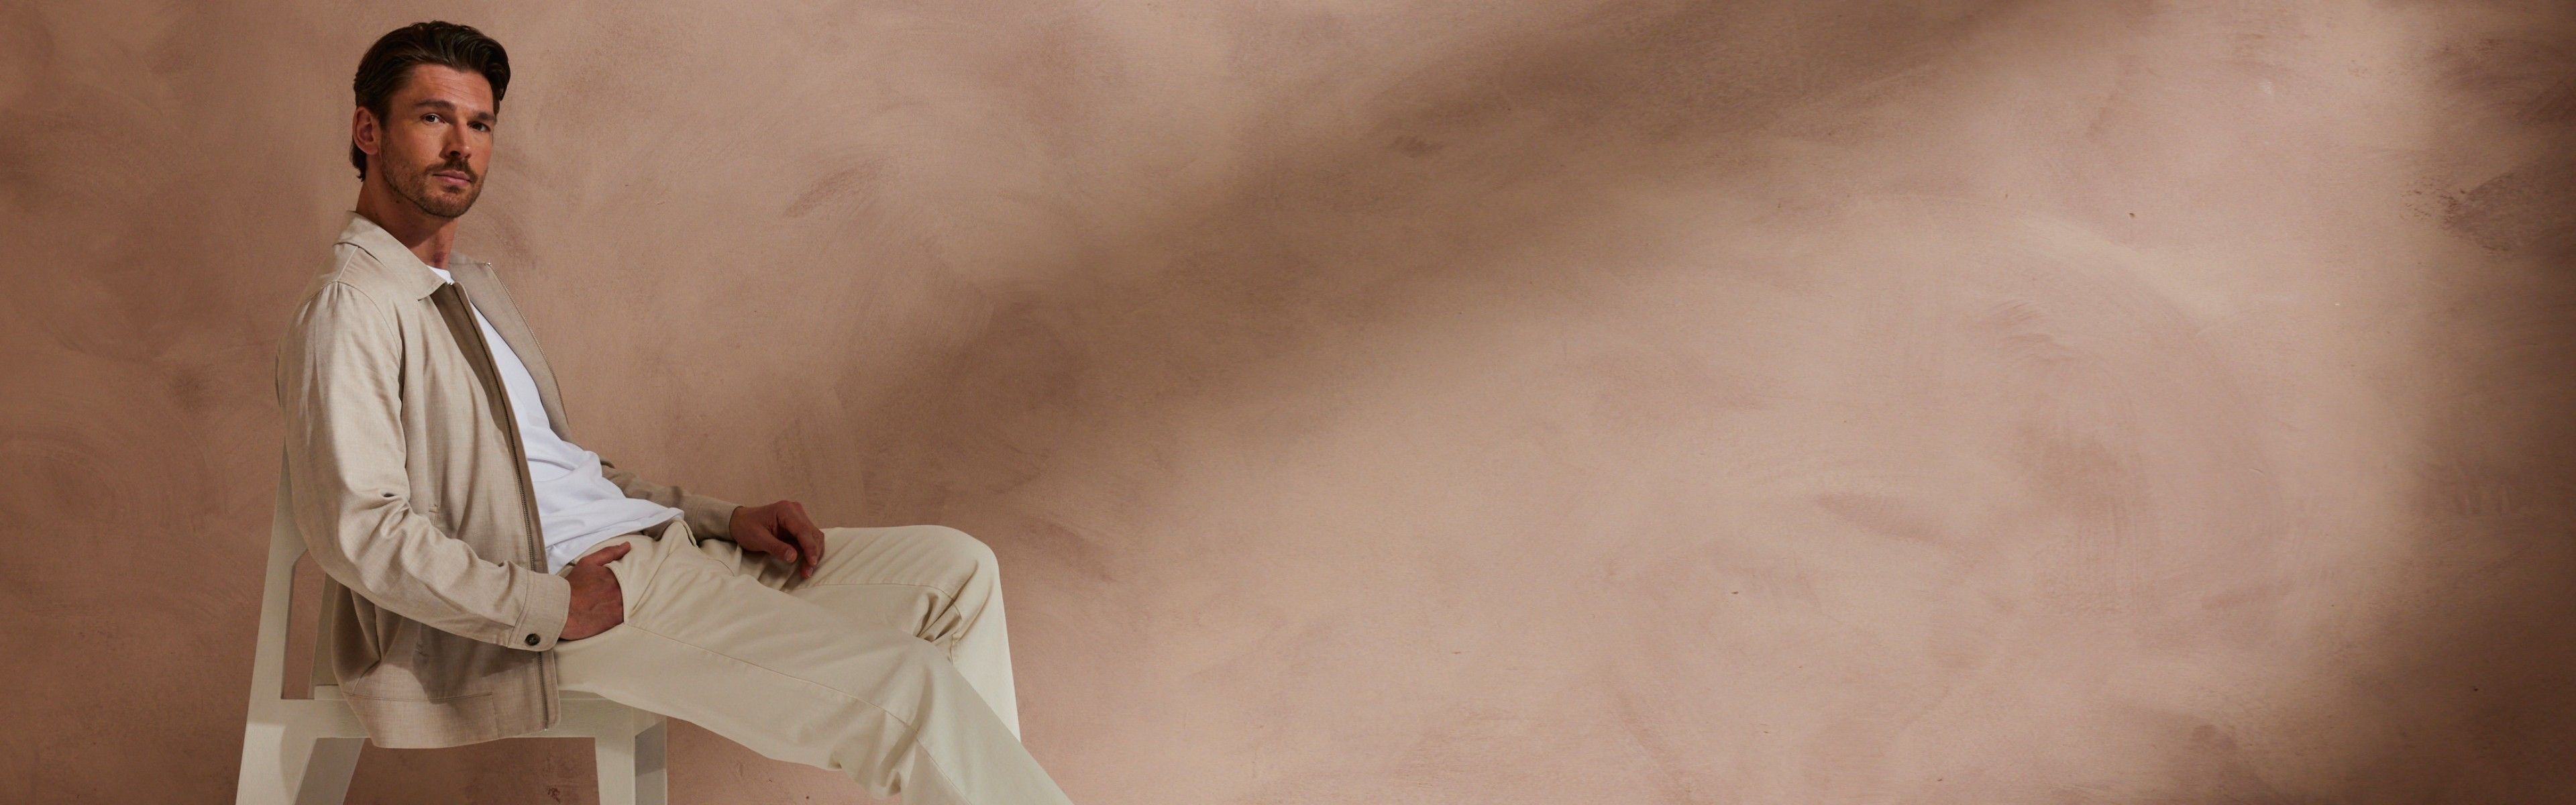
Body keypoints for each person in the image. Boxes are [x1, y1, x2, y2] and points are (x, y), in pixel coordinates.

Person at [272, 20, 1075, 804]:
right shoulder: (353, 306)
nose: (461, 145)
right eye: (432, 117)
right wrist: (552, 607)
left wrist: (724, 518)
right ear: (368, 131)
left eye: (479, 124)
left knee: (956, 571)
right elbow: (360, 530)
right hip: (580, 597)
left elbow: (558, 473)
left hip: (668, 550)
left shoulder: (468, 290)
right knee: (908, 686)